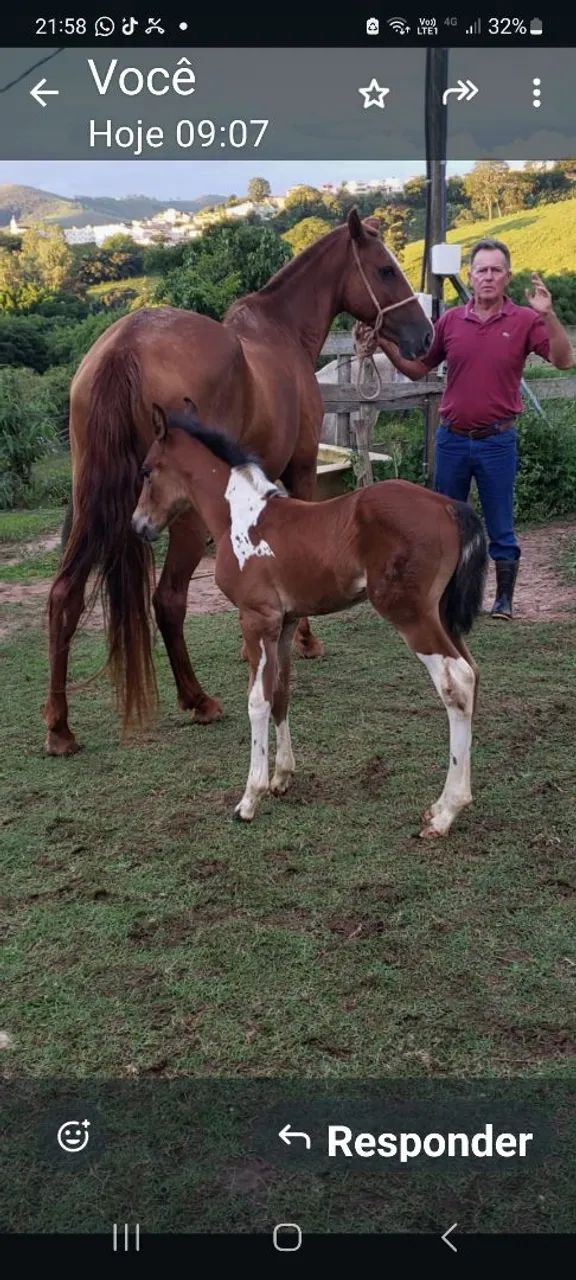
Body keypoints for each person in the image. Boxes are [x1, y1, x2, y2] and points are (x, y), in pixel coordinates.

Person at [374, 239, 573, 618]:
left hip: (497, 441)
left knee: (500, 523)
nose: (488, 276)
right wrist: (383, 341)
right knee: (446, 524)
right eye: (481, 269)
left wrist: (548, 315)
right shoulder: (450, 320)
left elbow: (564, 360)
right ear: (470, 275)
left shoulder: (525, 321)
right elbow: (419, 369)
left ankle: (503, 599)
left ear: (507, 277)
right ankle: (448, 597)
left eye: (496, 270)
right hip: (452, 439)